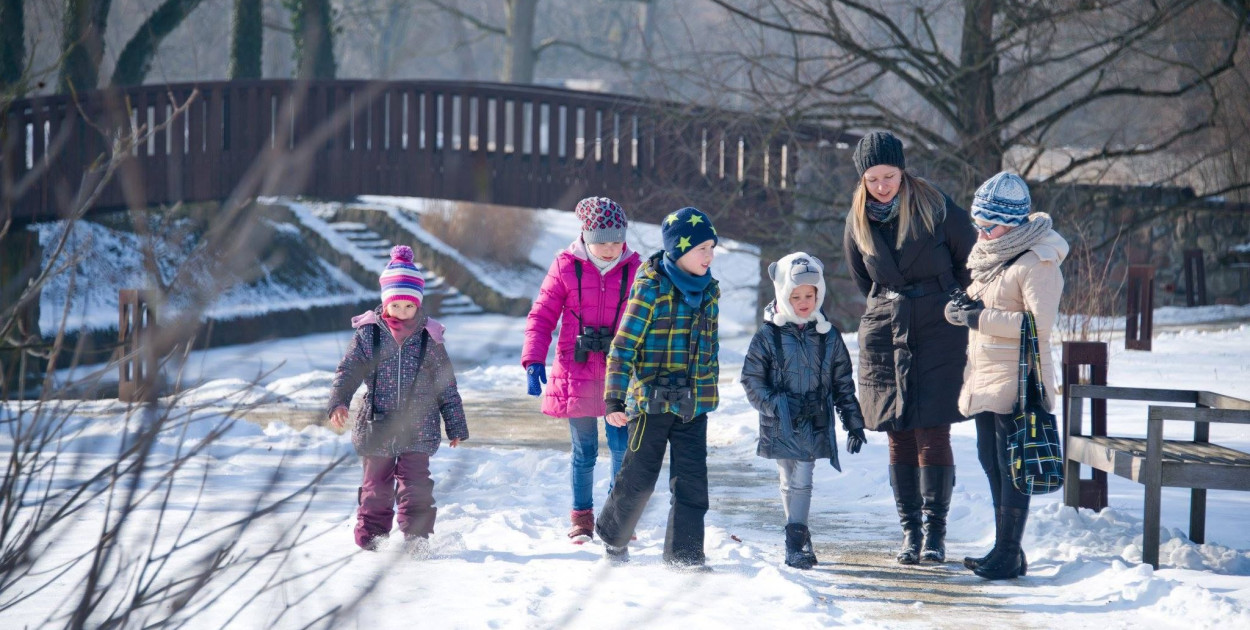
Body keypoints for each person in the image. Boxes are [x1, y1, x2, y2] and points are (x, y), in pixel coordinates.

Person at [842, 131, 977, 564]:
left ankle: (936, 533)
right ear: (862, 180)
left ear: (903, 170)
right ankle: (909, 534)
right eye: (873, 178)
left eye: (889, 175)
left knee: (933, 428)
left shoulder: (936, 207)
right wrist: (891, 303)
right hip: (886, 328)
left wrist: (949, 300)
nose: (882, 186)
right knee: (897, 431)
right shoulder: (857, 220)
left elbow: (969, 261)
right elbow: (865, 281)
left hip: (939, 327)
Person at [944, 172, 1067, 580]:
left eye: (989, 225)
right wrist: (962, 311)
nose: (981, 232)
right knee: (989, 460)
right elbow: (986, 307)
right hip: (986, 374)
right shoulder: (993, 256)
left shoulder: (1038, 261)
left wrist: (980, 318)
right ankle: (1006, 548)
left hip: (1019, 380)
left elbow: (1039, 326)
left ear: (1012, 223)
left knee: (1012, 464)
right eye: (978, 224)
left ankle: (1008, 551)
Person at [594, 206, 720, 570]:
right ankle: (614, 539)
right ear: (679, 251)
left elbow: (708, 348)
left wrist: (706, 388)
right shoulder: (652, 288)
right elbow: (623, 346)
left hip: (692, 404)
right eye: (702, 249)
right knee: (639, 479)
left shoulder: (710, 292)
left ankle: (685, 555)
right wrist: (615, 398)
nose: (709, 256)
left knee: (693, 483)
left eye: (712, 248)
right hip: (650, 404)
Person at [328, 245, 469, 553]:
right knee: (376, 487)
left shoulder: (429, 339)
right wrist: (339, 400)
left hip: (420, 426)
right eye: (397, 306)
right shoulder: (369, 335)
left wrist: (455, 424)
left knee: (416, 487)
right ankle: (373, 536)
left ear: (418, 304)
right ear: (385, 303)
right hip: (378, 423)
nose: (403, 313)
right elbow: (348, 370)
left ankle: (416, 538)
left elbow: (446, 384)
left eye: (409, 306)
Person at [522, 197, 642, 544]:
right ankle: (582, 518)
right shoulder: (565, 266)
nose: (609, 248)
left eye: (616, 240)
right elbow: (541, 316)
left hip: (620, 374)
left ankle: (616, 516)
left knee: (622, 450)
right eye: (602, 240)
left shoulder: (636, 270)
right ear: (586, 236)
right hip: (575, 372)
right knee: (584, 451)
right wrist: (533, 359)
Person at [740, 252, 867, 570]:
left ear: (818, 294)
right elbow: (752, 380)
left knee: (803, 478)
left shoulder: (828, 336)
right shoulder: (769, 336)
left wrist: (853, 421)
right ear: (784, 294)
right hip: (781, 420)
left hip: (813, 419)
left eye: (809, 295)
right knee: (788, 477)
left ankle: (794, 541)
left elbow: (842, 383)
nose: (804, 301)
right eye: (796, 296)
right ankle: (798, 531)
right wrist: (774, 405)